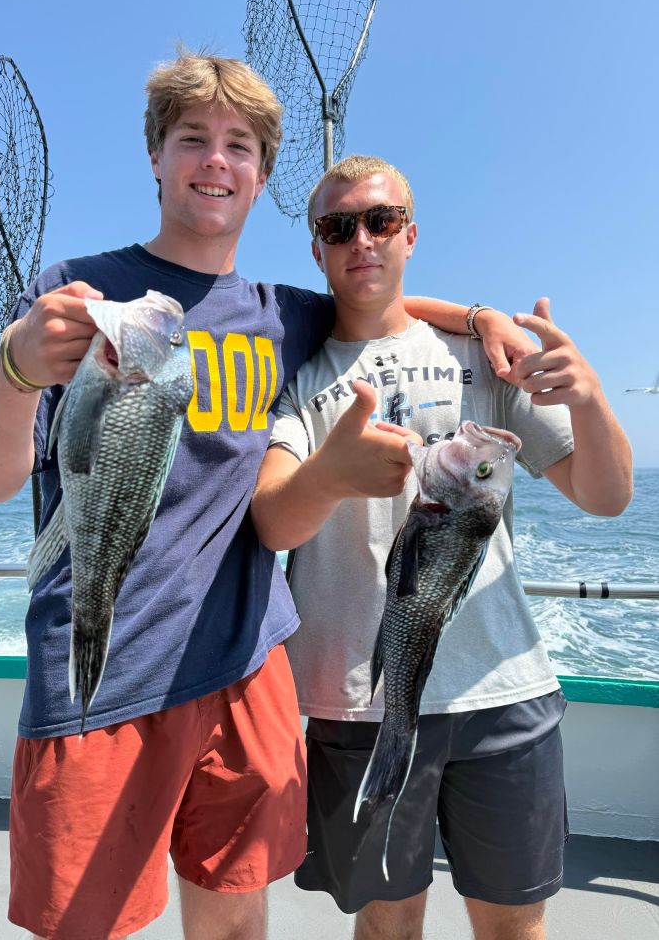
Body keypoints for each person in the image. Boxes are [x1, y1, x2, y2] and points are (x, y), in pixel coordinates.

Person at [0, 56, 534, 940]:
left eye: (239, 145)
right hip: (100, 664)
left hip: (244, 663)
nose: (215, 161)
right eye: (193, 138)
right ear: (155, 155)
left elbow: (373, 298)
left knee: (235, 919)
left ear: (262, 176)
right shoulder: (75, 291)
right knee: (84, 925)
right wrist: (15, 367)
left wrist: (480, 315)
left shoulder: (280, 312)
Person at [251, 155, 632, 940]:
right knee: (388, 926)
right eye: (338, 226)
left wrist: (589, 398)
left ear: (411, 235)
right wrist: (329, 477)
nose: (363, 239)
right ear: (317, 249)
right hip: (356, 699)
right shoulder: (297, 373)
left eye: (381, 221)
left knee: (516, 924)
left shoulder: (487, 362)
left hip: (503, 687)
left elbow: (607, 495)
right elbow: (273, 524)